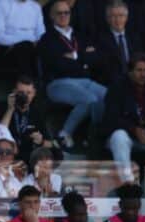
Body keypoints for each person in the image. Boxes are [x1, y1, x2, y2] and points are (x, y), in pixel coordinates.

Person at [39, 0, 106, 152]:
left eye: (66, 12)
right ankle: (64, 134)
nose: (63, 15)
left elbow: (96, 59)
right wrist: (84, 59)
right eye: (59, 13)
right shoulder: (46, 39)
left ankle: (94, 135)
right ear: (51, 16)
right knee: (90, 99)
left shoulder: (80, 36)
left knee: (109, 96)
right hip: (58, 83)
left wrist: (75, 56)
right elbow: (57, 65)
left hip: (85, 81)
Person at [102, 52, 145, 184]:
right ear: (130, 71)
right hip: (128, 135)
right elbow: (111, 118)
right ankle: (127, 184)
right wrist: (134, 130)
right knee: (119, 136)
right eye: (139, 70)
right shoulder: (117, 87)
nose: (143, 74)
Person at [93, 0, 143, 87]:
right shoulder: (99, 39)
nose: (117, 20)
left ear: (126, 18)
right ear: (108, 19)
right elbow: (104, 67)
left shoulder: (135, 37)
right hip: (112, 83)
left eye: (121, 16)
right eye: (113, 16)